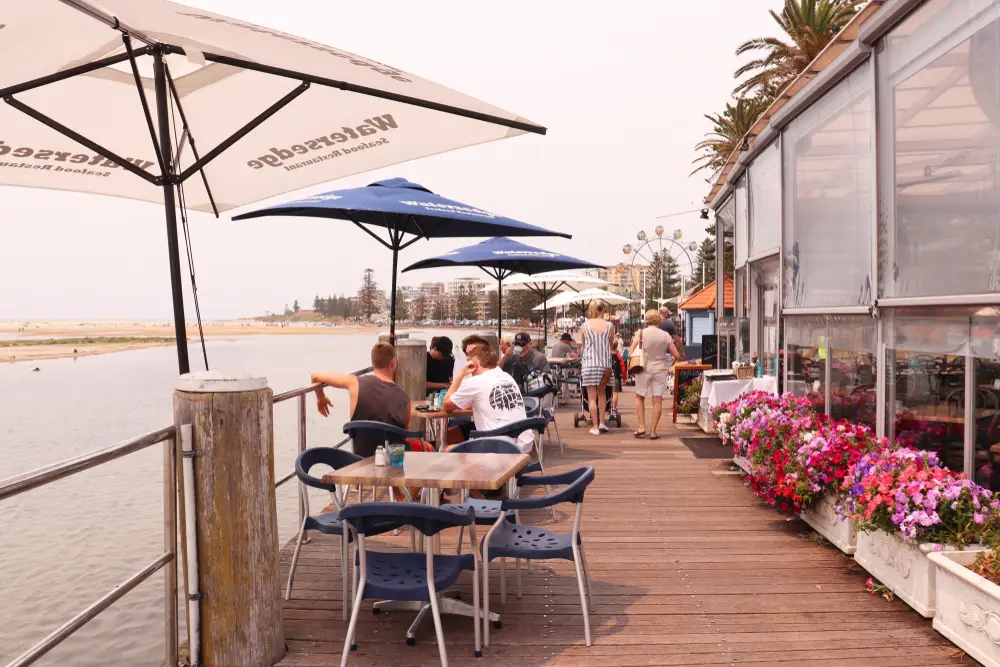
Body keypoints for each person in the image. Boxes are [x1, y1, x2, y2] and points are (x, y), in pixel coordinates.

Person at [311, 342, 411, 458]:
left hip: (360, 462)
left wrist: (320, 397)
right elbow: (404, 436)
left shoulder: (355, 383)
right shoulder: (405, 399)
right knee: (427, 447)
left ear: (373, 363)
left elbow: (315, 376)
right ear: (393, 363)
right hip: (393, 464)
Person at [443, 334, 534, 452]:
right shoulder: (506, 376)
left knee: (447, 450)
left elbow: (445, 406)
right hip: (522, 446)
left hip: (496, 447)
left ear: (473, 365)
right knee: (458, 435)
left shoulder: (475, 381)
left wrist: (461, 374)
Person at [629, 310, 681, 440]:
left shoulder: (640, 333)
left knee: (640, 397)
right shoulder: (665, 335)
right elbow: (677, 355)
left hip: (643, 369)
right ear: (659, 320)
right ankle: (653, 431)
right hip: (660, 370)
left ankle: (641, 427)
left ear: (646, 319)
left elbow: (630, 353)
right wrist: (670, 364)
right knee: (657, 400)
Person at [580, 301, 615, 436]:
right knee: (602, 394)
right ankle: (602, 423)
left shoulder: (584, 326)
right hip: (605, 365)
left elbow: (584, 346)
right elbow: (611, 345)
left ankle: (594, 426)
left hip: (589, 365)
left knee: (591, 397)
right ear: (603, 310)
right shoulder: (610, 326)